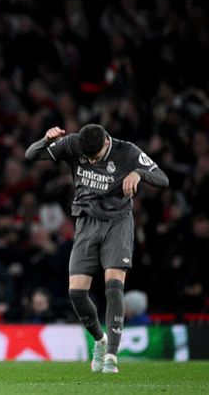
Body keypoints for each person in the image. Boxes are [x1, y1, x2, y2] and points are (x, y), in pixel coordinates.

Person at [25, 124, 168, 373]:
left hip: (117, 222)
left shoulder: (127, 151)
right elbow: (31, 155)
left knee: (113, 284)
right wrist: (46, 140)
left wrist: (139, 173)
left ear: (106, 143)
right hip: (86, 221)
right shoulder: (73, 143)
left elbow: (163, 179)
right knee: (76, 293)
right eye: (87, 157)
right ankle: (100, 341)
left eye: (96, 157)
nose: (91, 161)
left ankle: (112, 355)